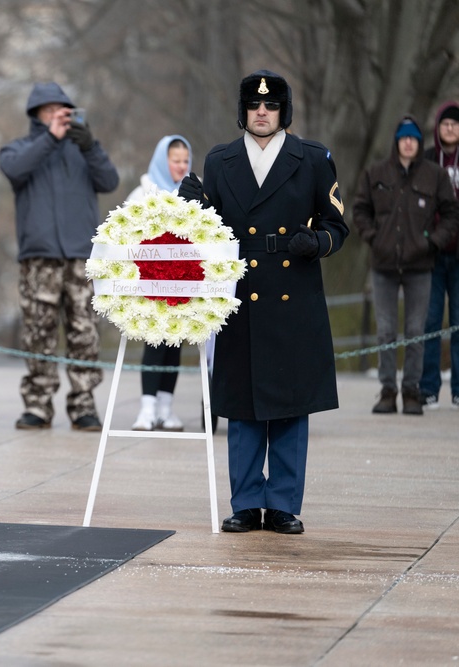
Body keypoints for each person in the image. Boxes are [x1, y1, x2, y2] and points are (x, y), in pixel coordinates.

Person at [178, 70, 349, 534]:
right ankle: (246, 501)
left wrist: (317, 242)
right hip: (241, 297)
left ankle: (283, 505)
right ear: (243, 112)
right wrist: (188, 205)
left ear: (283, 112)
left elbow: (339, 227)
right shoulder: (221, 160)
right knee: (243, 404)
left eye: (271, 106)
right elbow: (204, 233)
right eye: (254, 106)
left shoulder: (312, 158)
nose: (262, 112)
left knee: (292, 405)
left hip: (295, 297)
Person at [0, 82, 119, 431]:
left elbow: (109, 180)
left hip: (82, 255)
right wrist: (50, 138)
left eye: (62, 109)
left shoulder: (82, 149)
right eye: (49, 109)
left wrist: (91, 146)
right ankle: (37, 404)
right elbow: (15, 170)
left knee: (85, 332)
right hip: (40, 257)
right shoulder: (19, 148)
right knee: (39, 332)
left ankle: (83, 404)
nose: (57, 115)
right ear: (35, 114)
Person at [354, 116, 459, 416]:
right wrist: (373, 238)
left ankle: (412, 390)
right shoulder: (376, 172)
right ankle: (388, 390)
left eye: (414, 138)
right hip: (384, 265)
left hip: (420, 265)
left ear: (418, 142)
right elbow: (359, 209)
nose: (409, 142)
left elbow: (452, 213)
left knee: (416, 330)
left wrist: (433, 242)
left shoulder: (434, 175)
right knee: (386, 330)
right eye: (404, 137)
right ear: (397, 141)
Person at [126, 135, 193, 431]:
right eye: (174, 161)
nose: (180, 167)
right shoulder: (142, 193)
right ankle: (147, 408)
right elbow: (124, 233)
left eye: (185, 161)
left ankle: (166, 407)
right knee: (154, 342)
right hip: (150, 283)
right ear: (161, 160)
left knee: (174, 343)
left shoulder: (194, 191)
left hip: (185, 282)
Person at [420, 101, 459, 409]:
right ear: (438, 127)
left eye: (455, 124)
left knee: (458, 322)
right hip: (432, 254)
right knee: (430, 322)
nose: (450, 128)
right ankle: (429, 387)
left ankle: (458, 389)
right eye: (445, 123)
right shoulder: (427, 161)